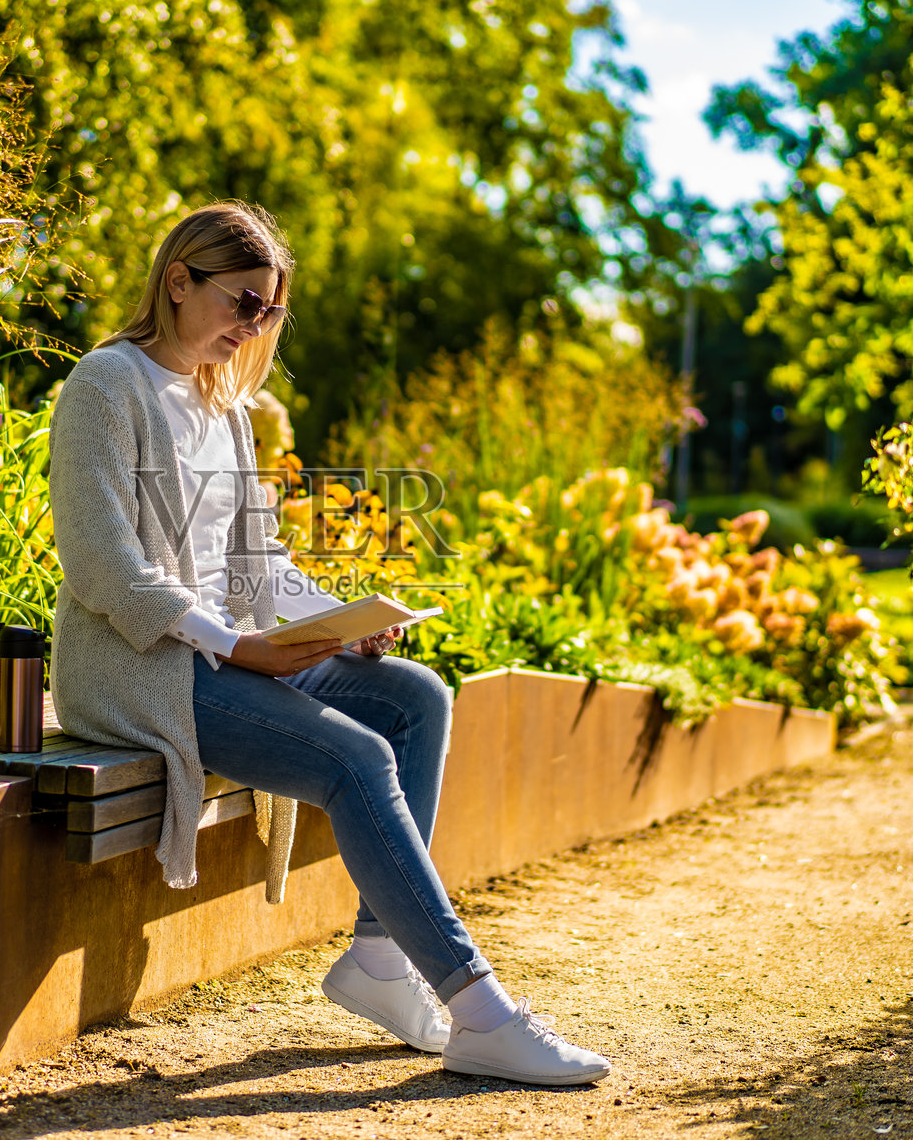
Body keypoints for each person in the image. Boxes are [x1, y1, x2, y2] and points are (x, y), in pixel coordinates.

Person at [46, 201, 611, 1087]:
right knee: (354, 758)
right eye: (243, 303)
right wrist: (236, 647)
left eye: (269, 311)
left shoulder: (220, 409)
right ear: (178, 282)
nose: (255, 326)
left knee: (414, 697)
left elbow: (253, 560)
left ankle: (381, 962)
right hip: (136, 673)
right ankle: (481, 1010)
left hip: (221, 655)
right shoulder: (104, 387)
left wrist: (335, 618)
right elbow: (99, 563)